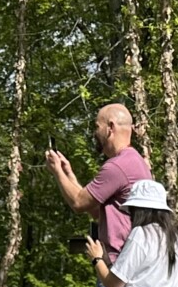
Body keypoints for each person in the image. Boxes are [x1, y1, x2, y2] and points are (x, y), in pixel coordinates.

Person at [45, 100, 154, 260]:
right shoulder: (134, 161)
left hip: (119, 263)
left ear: (111, 127)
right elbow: (97, 210)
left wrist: (57, 172)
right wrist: (69, 174)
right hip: (130, 261)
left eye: (97, 126)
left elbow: (78, 203)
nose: (94, 133)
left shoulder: (117, 166)